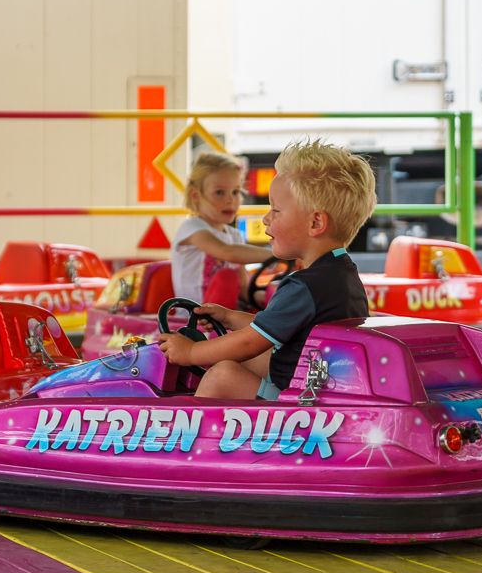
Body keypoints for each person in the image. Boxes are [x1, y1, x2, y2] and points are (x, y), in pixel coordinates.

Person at [158, 139, 375, 399]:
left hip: (302, 401)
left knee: (222, 375)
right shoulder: (342, 273)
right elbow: (277, 325)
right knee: (251, 355)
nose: (265, 218)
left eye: (275, 210)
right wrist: (228, 317)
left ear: (315, 222)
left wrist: (191, 352)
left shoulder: (304, 286)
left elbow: (249, 341)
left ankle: (186, 424)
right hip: (322, 386)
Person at [171, 151, 274, 304]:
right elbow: (227, 252)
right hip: (193, 314)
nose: (230, 199)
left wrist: (273, 299)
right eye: (219, 193)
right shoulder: (191, 228)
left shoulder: (235, 236)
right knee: (227, 278)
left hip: (225, 312)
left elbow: (244, 288)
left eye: (236, 192)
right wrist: (277, 255)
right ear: (196, 196)